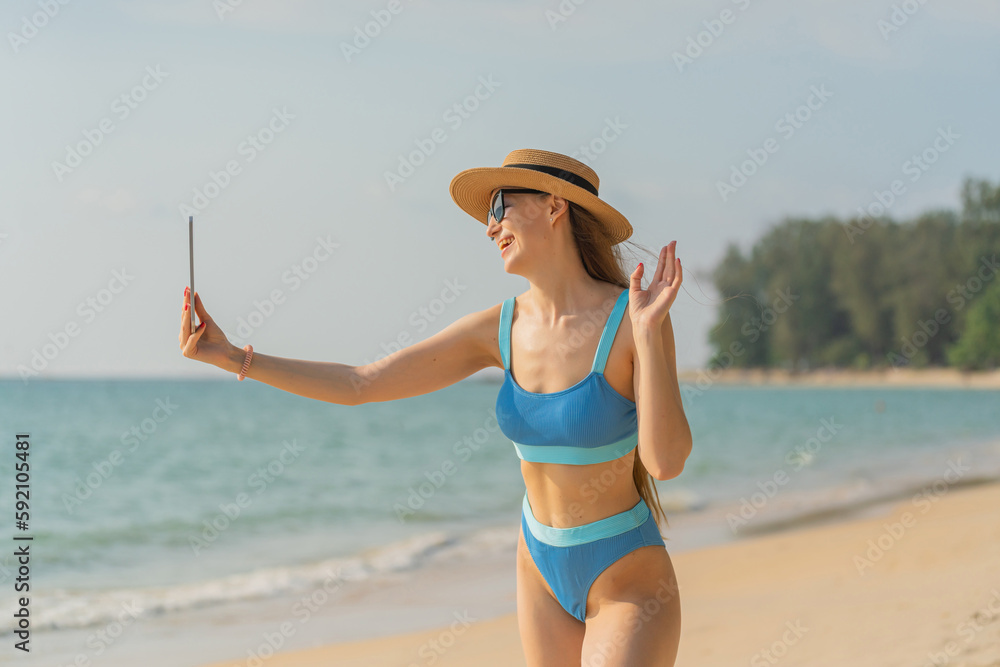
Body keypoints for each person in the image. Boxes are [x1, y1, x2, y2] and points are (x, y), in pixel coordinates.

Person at [179, 148, 692, 666]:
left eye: (500, 207)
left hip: (624, 573)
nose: (490, 228)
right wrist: (235, 357)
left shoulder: (634, 318)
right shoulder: (498, 328)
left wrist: (649, 335)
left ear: (554, 205)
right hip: (539, 565)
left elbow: (665, 462)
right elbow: (362, 383)